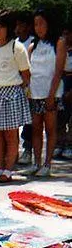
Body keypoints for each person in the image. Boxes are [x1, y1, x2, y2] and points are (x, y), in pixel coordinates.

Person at [0, 10, 31, 183]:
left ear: (8, 29)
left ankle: (8, 170)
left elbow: (26, 75)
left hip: (12, 92)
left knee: (11, 135)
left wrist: (18, 92)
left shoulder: (17, 48)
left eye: (0, 27)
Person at [27, 8, 67, 176]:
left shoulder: (59, 42)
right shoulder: (32, 46)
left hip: (52, 91)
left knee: (50, 128)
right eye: (36, 24)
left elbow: (58, 71)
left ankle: (47, 164)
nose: (39, 27)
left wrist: (52, 94)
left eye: (42, 23)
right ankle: (36, 162)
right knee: (35, 128)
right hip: (35, 92)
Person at [15, 11, 35, 165]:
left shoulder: (32, 43)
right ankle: (13, 151)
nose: (18, 27)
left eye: (22, 24)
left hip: (29, 85)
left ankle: (28, 149)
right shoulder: (14, 43)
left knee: (29, 121)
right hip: (15, 85)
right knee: (13, 122)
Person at [54, 22, 72, 160]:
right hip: (61, 81)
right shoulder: (59, 49)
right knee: (60, 117)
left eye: (68, 33)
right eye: (64, 33)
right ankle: (59, 144)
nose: (66, 36)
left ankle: (69, 145)